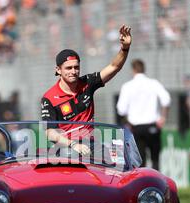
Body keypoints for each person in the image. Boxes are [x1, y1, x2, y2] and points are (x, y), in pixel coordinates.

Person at [41, 24, 132, 155]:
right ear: (58, 70)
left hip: (91, 147)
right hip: (66, 150)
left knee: (118, 161)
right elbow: (50, 132)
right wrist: (73, 145)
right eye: (68, 68)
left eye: (76, 67)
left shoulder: (88, 83)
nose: (73, 71)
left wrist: (125, 48)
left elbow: (114, 67)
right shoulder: (49, 98)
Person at [116, 59, 171, 170]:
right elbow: (166, 100)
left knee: (140, 161)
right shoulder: (153, 83)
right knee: (155, 160)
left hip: (136, 128)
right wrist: (163, 117)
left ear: (133, 70)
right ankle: (156, 185)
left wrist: (127, 122)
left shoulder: (127, 86)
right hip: (153, 126)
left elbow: (121, 110)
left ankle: (143, 185)